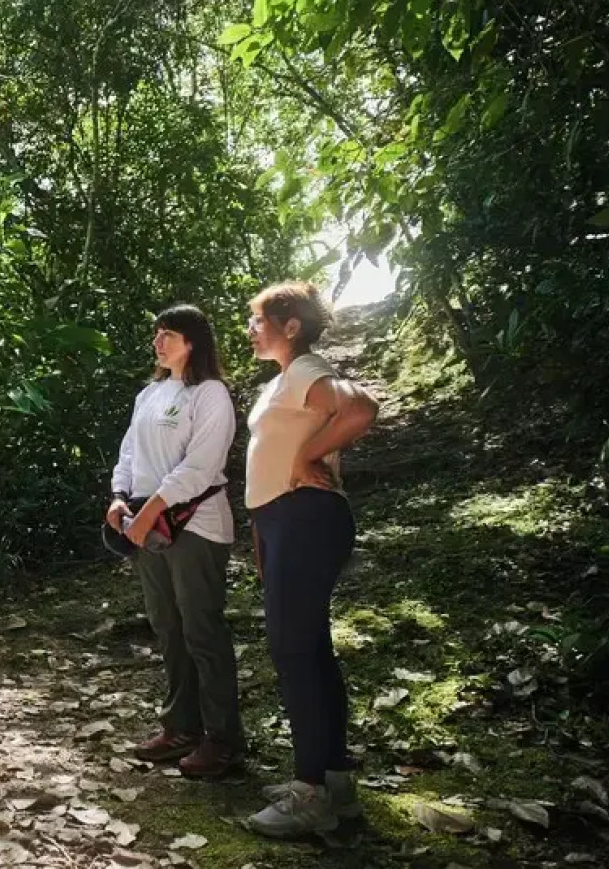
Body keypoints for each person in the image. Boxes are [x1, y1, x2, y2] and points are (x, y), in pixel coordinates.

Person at [241, 282, 379, 837]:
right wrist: (261, 538)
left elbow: (360, 406)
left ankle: (310, 794)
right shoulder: (284, 380)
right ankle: (333, 779)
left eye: (258, 320)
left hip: (304, 516)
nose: (250, 329)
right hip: (283, 522)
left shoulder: (305, 369)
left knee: (294, 651)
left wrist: (307, 454)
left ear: (290, 326)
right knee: (311, 650)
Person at [103, 305, 244, 778]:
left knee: (202, 630)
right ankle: (181, 728)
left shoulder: (210, 394)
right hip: (146, 524)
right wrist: (119, 498)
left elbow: (201, 466)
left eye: (170, 335)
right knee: (168, 628)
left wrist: (150, 509)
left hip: (195, 525)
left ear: (194, 342)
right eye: (157, 334)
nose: (159, 343)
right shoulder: (149, 394)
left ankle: (223, 740)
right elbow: (128, 453)